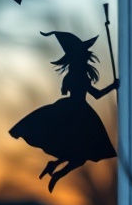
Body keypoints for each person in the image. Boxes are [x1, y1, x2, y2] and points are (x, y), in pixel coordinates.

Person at [9, 31, 119, 192]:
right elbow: (97, 94)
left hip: (72, 109)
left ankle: (55, 166)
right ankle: (56, 171)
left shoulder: (71, 76)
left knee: (77, 151)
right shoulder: (80, 76)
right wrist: (114, 86)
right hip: (79, 113)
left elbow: (64, 91)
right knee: (79, 154)